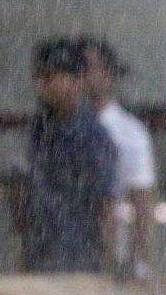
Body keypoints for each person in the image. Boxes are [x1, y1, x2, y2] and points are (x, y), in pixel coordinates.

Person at [10, 38, 118, 273]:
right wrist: (26, 237)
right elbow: (20, 184)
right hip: (39, 254)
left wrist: (107, 263)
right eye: (38, 78)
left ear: (76, 81)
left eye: (49, 77)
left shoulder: (92, 137)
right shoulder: (37, 130)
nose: (42, 85)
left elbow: (105, 205)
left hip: (79, 256)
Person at [82, 37, 158, 282]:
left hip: (112, 260)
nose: (82, 76)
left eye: (89, 68)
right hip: (63, 255)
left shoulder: (129, 131)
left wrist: (139, 263)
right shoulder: (50, 129)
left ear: (108, 75)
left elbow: (142, 204)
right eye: (77, 68)